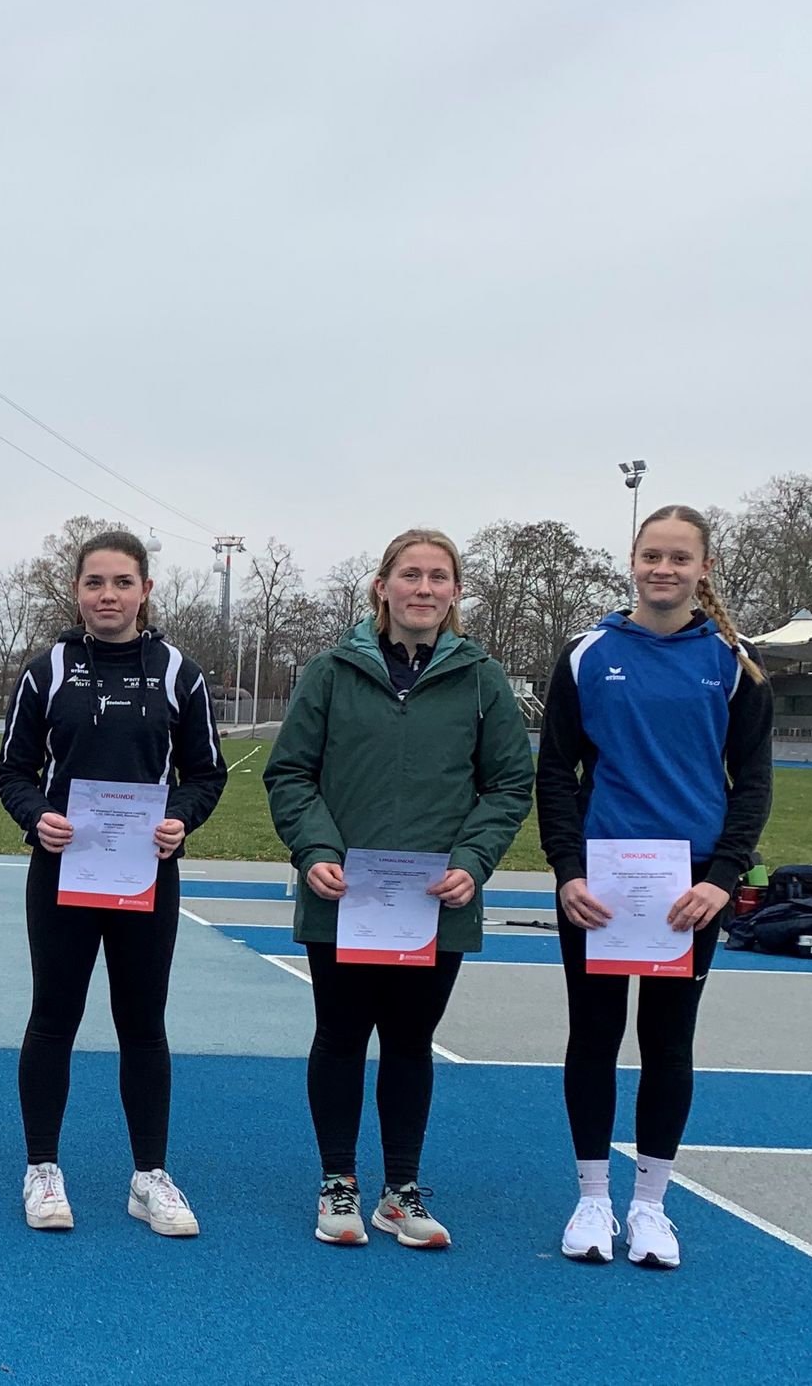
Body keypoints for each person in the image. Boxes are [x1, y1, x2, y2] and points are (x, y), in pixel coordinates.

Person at [265, 528, 533, 1249]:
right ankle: (338, 1181)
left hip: (435, 899)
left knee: (412, 1041)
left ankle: (401, 1191)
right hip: (344, 894)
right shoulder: (330, 672)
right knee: (341, 1035)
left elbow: (510, 783)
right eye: (410, 574)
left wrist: (473, 860)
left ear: (455, 592)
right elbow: (290, 773)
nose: (424, 588)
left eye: (438, 576)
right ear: (381, 586)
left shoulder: (483, 679)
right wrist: (315, 849)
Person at [540, 504, 773, 1269]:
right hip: (600, 884)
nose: (663, 569)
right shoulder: (587, 653)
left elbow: (753, 782)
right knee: (594, 1037)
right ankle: (592, 1199)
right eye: (652, 556)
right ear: (633, 561)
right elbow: (556, 771)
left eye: (679, 557)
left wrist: (724, 878)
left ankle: (650, 1206)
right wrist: (568, 870)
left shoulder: (735, 664)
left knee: (668, 1043)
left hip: (689, 889)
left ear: (705, 568)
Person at [0, 530, 226, 1235]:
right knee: (53, 1018)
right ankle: (42, 1168)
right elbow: (12, 771)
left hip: (145, 875)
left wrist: (181, 819)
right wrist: (37, 817)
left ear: (145, 590)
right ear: (77, 590)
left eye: (122, 582)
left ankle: (149, 1175)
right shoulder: (46, 671)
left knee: (143, 1024)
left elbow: (206, 774)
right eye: (95, 582)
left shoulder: (180, 672)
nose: (108, 595)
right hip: (62, 871)